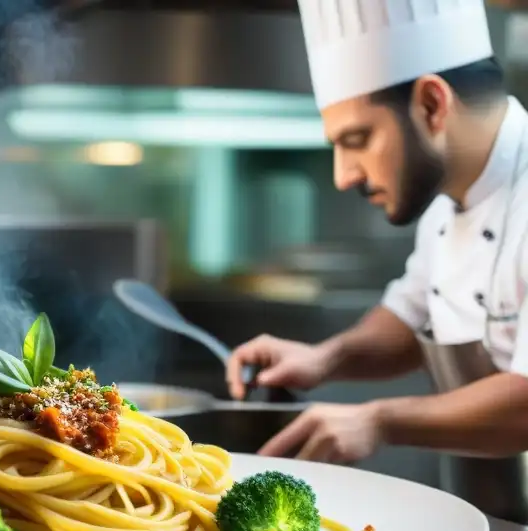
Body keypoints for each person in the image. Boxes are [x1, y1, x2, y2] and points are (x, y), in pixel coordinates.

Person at [226, 0, 528, 466]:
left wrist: (377, 419)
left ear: (432, 104)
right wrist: (324, 358)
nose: (343, 176)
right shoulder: (447, 197)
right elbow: (410, 318)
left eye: (357, 140)